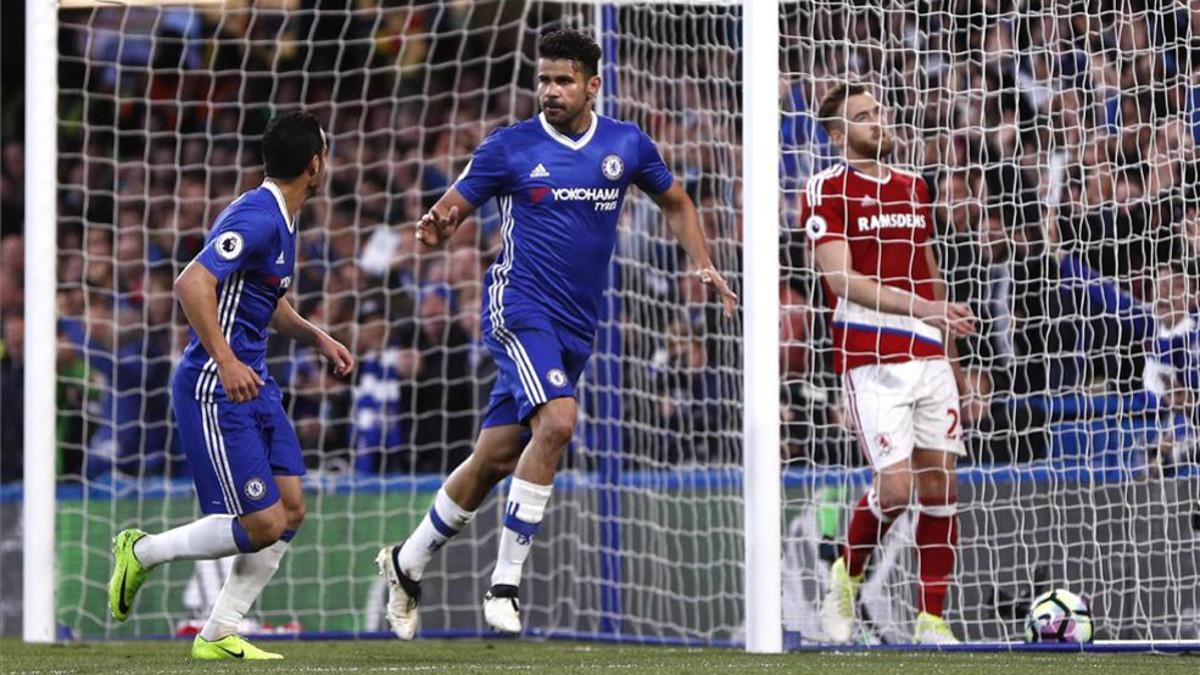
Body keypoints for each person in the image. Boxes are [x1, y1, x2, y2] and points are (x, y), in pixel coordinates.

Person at [376, 28, 736, 639]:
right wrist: (437, 226)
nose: (550, 90)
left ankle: (406, 563)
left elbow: (676, 201)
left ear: (593, 85)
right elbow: (453, 207)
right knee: (560, 423)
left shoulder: (626, 144)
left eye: (563, 80)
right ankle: (505, 584)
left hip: (576, 323)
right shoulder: (509, 147)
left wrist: (702, 263)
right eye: (543, 79)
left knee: (494, 457)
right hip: (519, 306)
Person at [106, 111, 355, 660]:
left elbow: (267, 300)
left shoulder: (280, 216)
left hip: (253, 382)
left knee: (291, 508)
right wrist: (225, 361)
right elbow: (191, 283)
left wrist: (317, 337)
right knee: (262, 523)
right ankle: (141, 552)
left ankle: (219, 632)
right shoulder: (258, 216)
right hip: (216, 386)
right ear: (315, 165)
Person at [802, 81, 976, 644]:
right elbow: (841, 280)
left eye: (879, 110)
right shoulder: (826, 188)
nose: (879, 120)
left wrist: (954, 361)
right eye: (864, 115)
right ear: (838, 135)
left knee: (940, 486)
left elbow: (928, 270)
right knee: (896, 489)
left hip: (929, 354)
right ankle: (846, 575)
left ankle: (932, 619)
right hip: (870, 355)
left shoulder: (913, 185)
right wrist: (923, 308)